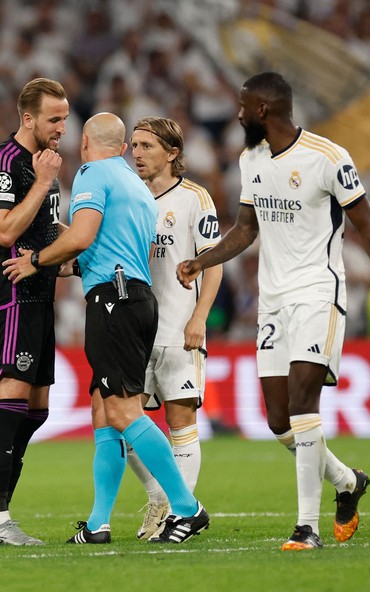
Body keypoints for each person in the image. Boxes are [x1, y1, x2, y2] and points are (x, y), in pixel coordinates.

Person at [177, 72, 370, 551]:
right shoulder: (251, 159)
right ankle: (348, 482)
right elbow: (246, 229)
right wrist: (201, 259)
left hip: (318, 293)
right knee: (277, 420)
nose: (238, 114)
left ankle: (306, 527)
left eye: (244, 106)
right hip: (272, 301)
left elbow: (368, 230)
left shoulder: (328, 158)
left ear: (265, 111)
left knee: (302, 402)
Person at [3, 112, 210, 545]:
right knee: (103, 414)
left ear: (84, 144)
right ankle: (98, 523)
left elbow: (80, 237)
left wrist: (36, 260)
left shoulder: (92, 173)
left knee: (121, 411)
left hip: (114, 301)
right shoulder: (134, 184)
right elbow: (102, 246)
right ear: (121, 147)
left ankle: (187, 508)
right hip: (132, 296)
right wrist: (72, 259)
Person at [0, 78, 68, 546]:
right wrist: (47, 180)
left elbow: (48, 230)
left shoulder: (44, 163)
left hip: (42, 297)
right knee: (9, 404)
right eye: (54, 119)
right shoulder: (4, 163)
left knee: (36, 411)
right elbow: (6, 227)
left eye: (66, 119)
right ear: (28, 118)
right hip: (12, 298)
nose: (62, 128)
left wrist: (74, 252)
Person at [126, 116, 224, 540]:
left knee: (180, 419)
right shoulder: (128, 197)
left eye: (147, 146)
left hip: (177, 327)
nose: (137, 153)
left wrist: (199, 316)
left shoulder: (194, 199)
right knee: (123, 422)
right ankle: (159, 497)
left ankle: (180, 515)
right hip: (132, 328)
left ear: (172, 153)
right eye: (134, 145)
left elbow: (213, 262)